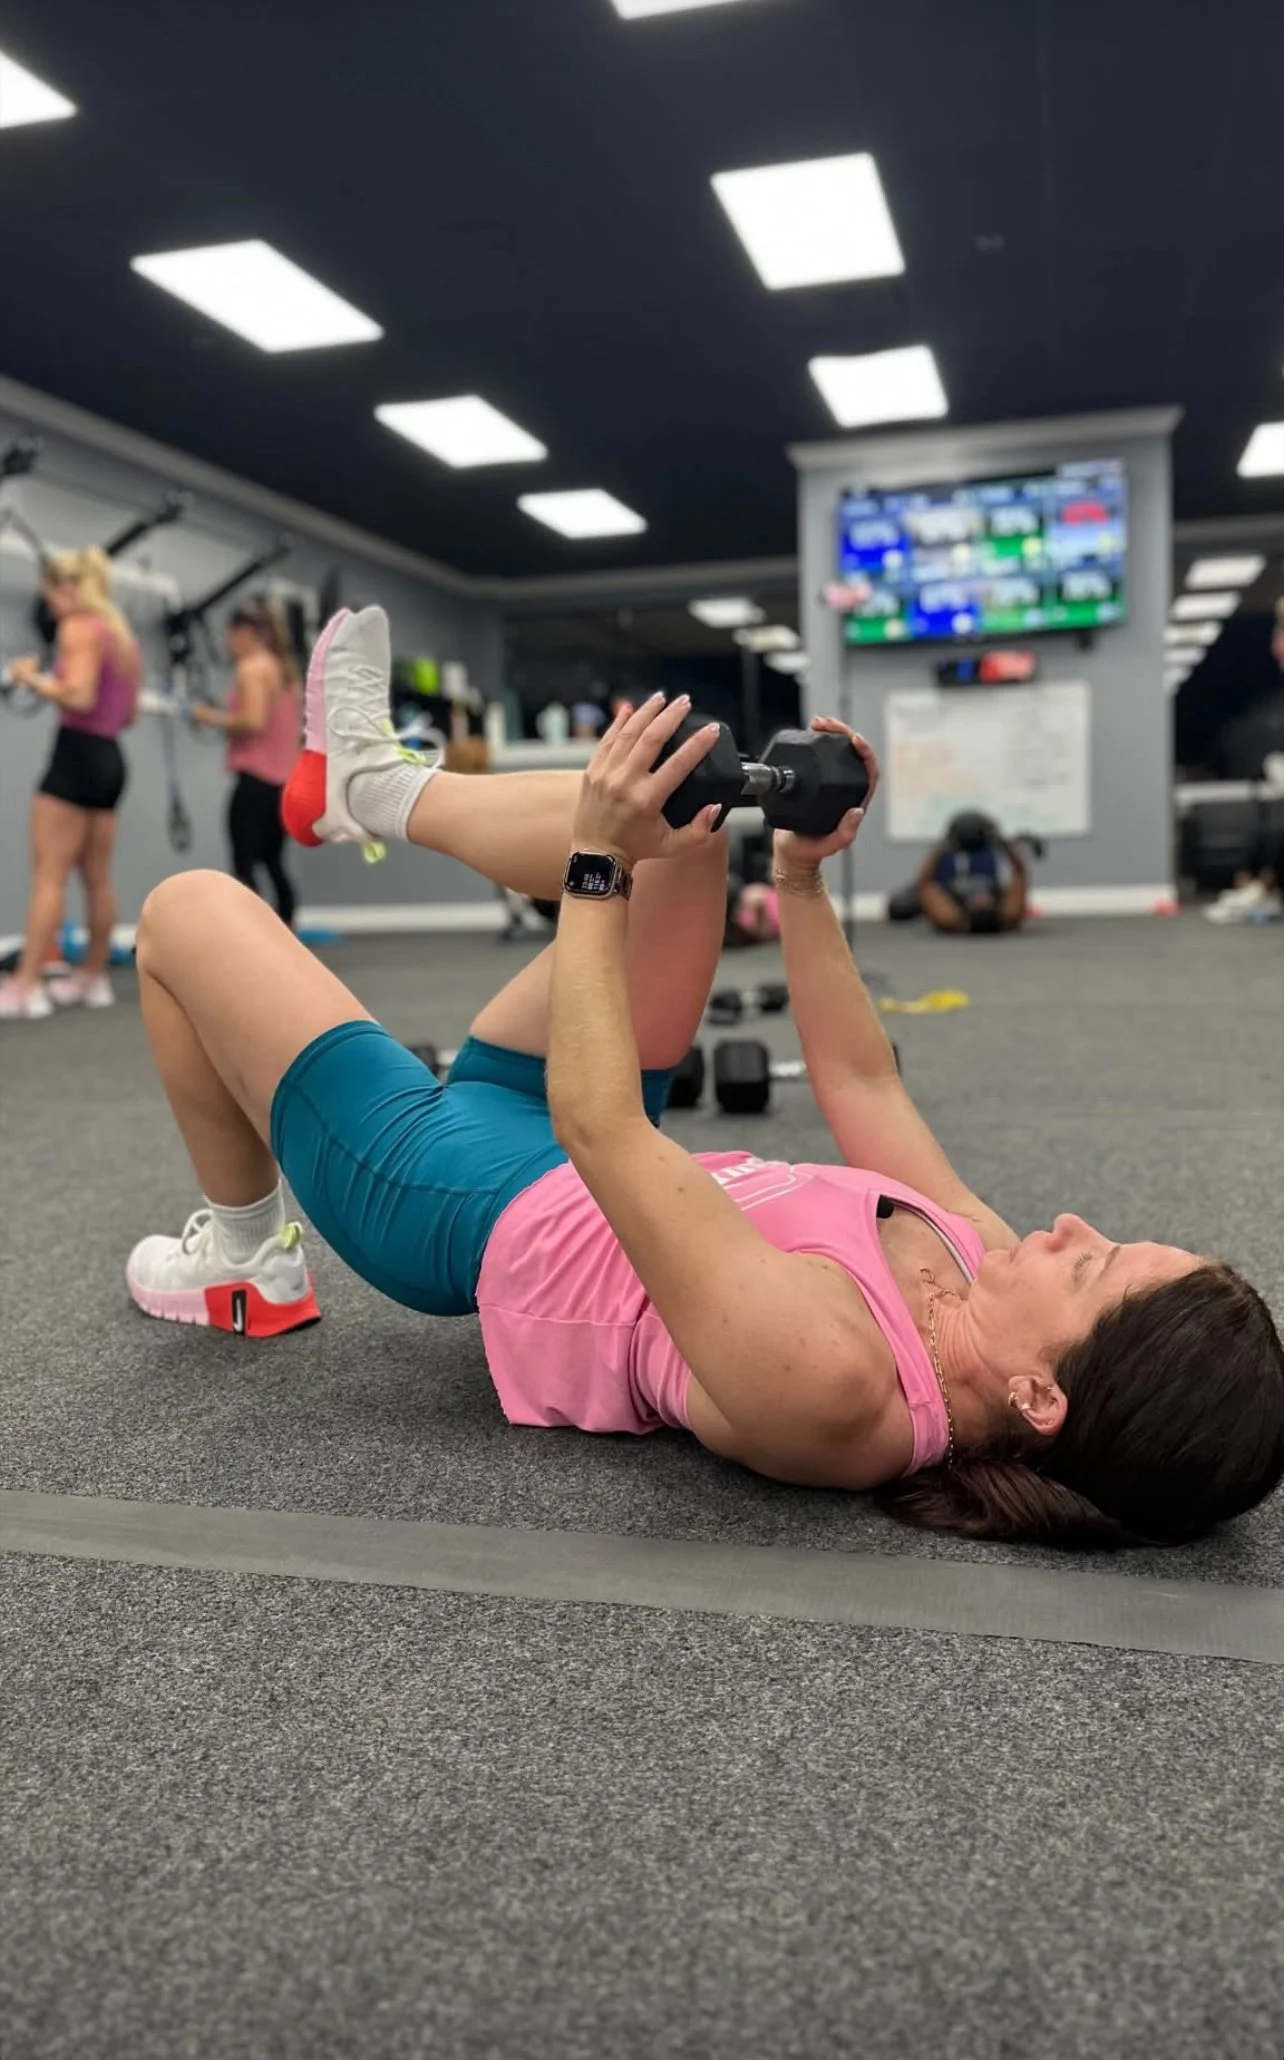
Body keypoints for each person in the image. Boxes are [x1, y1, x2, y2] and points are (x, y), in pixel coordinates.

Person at [125, 609, 1284, 1550]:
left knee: (187, 912)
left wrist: (594, 861)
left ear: (1041, 1398)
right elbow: (862, 1084)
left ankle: (245, 1258)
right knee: (690, 816)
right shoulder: (980, 1266)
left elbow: (606, 1131)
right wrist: (805, 875)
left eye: (1093, 1266)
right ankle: (374, 788)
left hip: (465, 1200)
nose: (1073, 1224)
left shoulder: (838, 1386)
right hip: (574, 1136)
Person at [0, 547, 142, 1020]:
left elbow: (78, 695)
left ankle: (26, 987)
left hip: (76, 753)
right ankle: (92, 979)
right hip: (110, 757)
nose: (52, 608)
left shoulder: (78, 628)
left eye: (52, 597)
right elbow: (128, 712)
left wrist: (29, 678)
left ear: (68, 589)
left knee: (49, 875)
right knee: (97, 878)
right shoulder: (122, 636)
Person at [191, 601, 302, 929]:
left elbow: (253, 721)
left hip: (256, 779)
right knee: (272, 860)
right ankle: (286, 931)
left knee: (243, 864)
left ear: (249, 634)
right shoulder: (286, 673)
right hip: (284, 784)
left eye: (233, 635)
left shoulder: (252, 669)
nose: (229, 643)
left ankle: (252, 937)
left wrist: (209, 717)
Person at [916, 813, 1030, 935]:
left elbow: (926, 883)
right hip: (961, 893)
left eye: (979, 904)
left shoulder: (949, 919)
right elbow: (1020, 872)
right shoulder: (1009, 914)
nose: (980, 901)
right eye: (982, 903)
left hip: (953, 897)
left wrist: (940, 850)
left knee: (902, 907)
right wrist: (1005, 846)